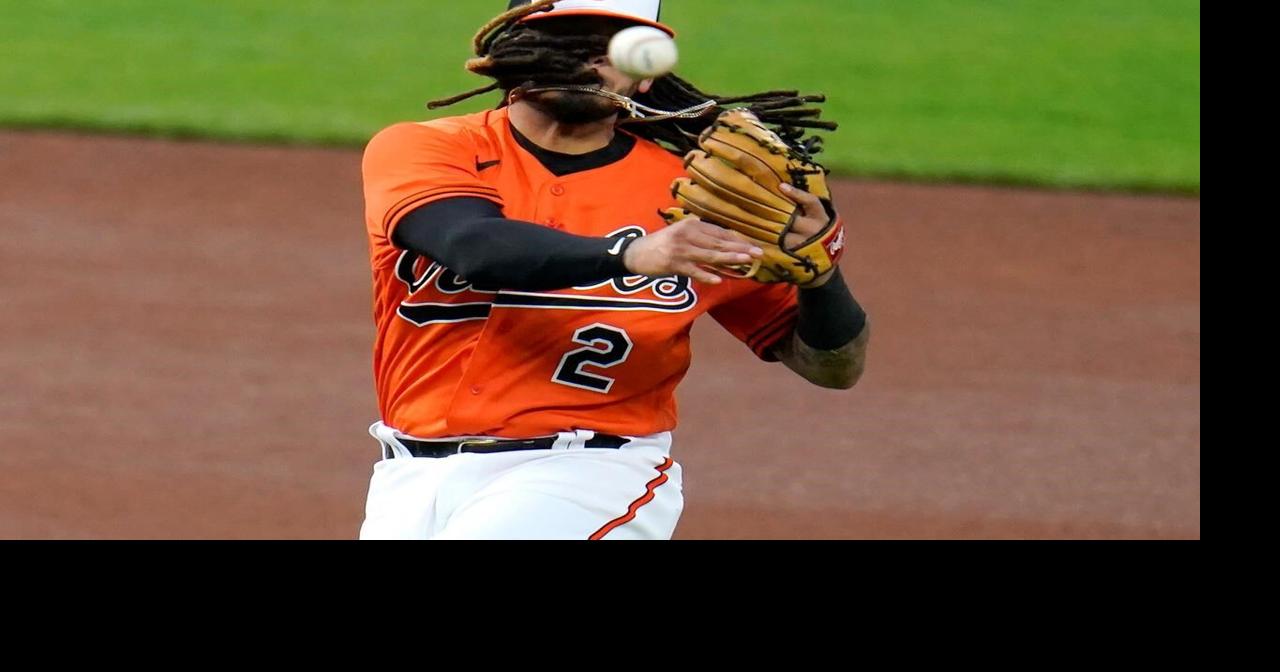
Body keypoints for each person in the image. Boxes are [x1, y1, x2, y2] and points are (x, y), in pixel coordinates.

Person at [358, 0, 869, 540]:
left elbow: (830, 367)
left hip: (590, 473)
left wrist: (821, 275)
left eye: (614, 44)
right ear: (512, 52)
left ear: (644, 74)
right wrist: (628, 255)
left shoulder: (698, 198)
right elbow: (472, 246)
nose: (590, 58)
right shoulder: (427, 148)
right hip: (407, 480)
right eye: (567, 40)